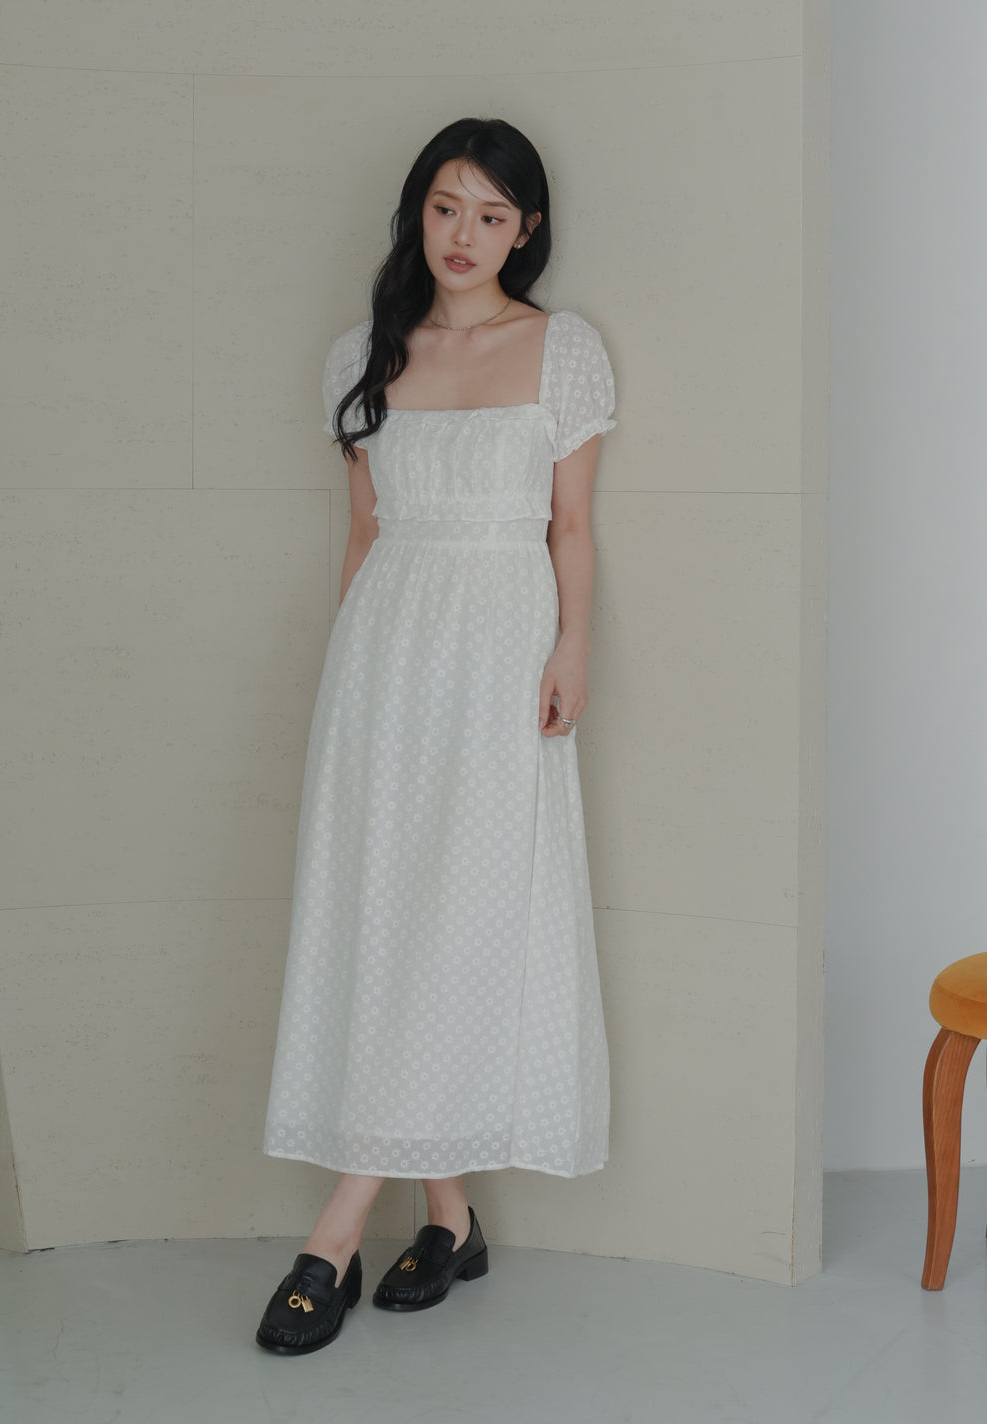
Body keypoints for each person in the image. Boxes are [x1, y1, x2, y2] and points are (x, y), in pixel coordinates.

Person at [256, 116, 616, 1356]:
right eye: (446, 207)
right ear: (417, 210)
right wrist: (345, 675)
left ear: (525, 230)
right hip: (384, 659)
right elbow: (361, 534)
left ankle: (333, 1235)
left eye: (491, 215)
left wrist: (571, 648)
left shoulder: (559, 350)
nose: (464, 235)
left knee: (455, 917)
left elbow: (571, 526)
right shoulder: (362, 353)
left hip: (501, 652)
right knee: (388, 916)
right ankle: (450, 1219)